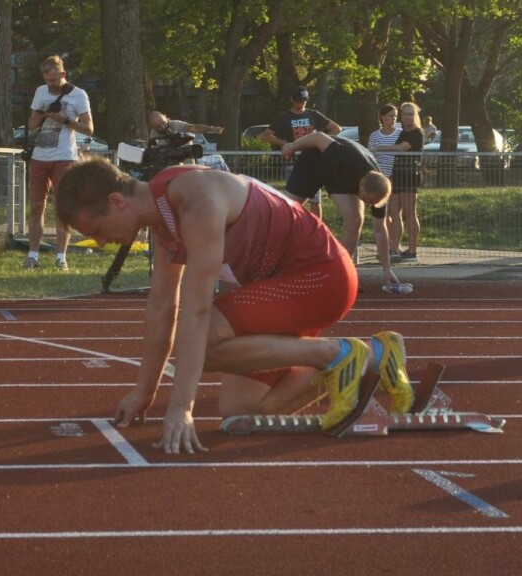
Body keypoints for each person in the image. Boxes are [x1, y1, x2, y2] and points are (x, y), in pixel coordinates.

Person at [53, 156, 415, 453]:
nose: (100, 243)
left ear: (117, 203)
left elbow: (195, 311)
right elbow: (161, 305)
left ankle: (337, 354)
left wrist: (181, 409)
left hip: (322, 277)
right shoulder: (160, 215)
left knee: (204, 340)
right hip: (286, 287)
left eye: (96, 231)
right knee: (242, 412)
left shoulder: (195, 200)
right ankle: (372, 360)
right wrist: (143, 393)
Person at [279, 131, 394, 283]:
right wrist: (292, 146)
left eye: (371, 203)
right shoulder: (346, 157)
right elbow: (318, 137)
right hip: (314, 163)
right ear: (361, 187)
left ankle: (342, 271)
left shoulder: (379, 189)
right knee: (284, 210)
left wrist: (387, 270)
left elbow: (380, 229)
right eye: (366, 200)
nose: (367, 204)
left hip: (340, 177)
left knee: (354, 221)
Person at [25, 55, 93, 271]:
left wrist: (64, 120)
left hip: (64, 157)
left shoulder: (78, 95)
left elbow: (89, 128)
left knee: (62, 207)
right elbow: (32, 125)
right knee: (36, 206)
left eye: (54, 80)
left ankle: (61, 256)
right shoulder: (40, 92)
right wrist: (41, 115)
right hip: (39, 157)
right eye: (47, 80)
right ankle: (33, 255)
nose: (50, 85)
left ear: (63, 74)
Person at [260, 86, 339, 216]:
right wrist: (286, 143)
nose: (301, 103)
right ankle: (295, 226)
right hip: (292, 163)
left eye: (303, 101)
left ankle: (316, 229)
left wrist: (318, 139)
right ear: (292, 100)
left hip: (313, 162)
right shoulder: (285, 117)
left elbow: (336, 128)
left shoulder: (314, 115)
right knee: (294, 200)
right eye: (298, 100)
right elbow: (265, 136)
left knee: (315, 201)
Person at [371, 102, 424, 266]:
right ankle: (394, 248)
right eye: (405, 114)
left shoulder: (416, 133)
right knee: (394, 212)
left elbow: (401, 148)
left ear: (415, 115)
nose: (407, 117)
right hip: (397, 175)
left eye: (410, 114)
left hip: (409, 175)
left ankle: (412, 250)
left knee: (410, 213)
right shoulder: (402, 132)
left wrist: (378, 149)